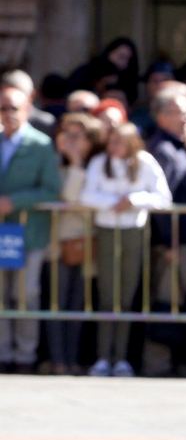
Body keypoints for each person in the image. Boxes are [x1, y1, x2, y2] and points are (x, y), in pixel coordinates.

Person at [79, 121, 170, 377]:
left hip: (134, 231)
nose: (114, 146)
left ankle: (121, 356)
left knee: (126, 296)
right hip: (107, 229)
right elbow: (87, 195)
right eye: (112, 141)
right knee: (108, 295)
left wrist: (134, 200)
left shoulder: (145, 162)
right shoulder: (100, 163)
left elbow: (163, 198)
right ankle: (102, 356)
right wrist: (113, 203)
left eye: (119, 141)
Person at [0, 84, 63, 371]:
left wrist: (15, 201)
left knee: (26, 294)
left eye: (14, 108)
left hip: (28, 232)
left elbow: (51, 190)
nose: (8, 114)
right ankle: (2, 353)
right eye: (3, 108)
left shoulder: (40, 145)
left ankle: (25, 355)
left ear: (26, 110)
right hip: (2, 232)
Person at [143, 83, 186, 375]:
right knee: (166, 301)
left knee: (175, 301)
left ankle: (170, 361)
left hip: (185, 239)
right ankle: (157, 364)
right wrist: (169, 242)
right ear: (160, 115)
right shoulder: (163, 150)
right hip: (172, 243)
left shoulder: (179, 146)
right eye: (178, 112)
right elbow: (162, 201)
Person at [46, 113, 104, 375]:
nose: (69, 141)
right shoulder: (52, 165)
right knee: (57, 305)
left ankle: (73, 358)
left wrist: (77, 164)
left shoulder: (98, 166)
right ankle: (59, 360)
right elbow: (69, 197)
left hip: (85, 245)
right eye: (65, 134)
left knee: (78, 306)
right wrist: (74, 163)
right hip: (57, 244)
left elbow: (82, 201)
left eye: (76, 136)